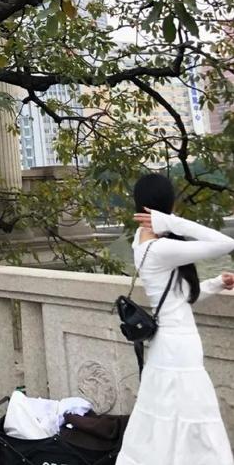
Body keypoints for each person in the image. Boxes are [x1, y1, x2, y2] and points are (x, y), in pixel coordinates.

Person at [116, 173, 234, 465]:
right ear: (165, 206)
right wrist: (171, 222)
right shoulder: (161, 248)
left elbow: (178, 299)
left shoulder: (140, 242)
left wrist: (216, 283)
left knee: (163, 423)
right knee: (192, 423)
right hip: (179, 349)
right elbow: (225, 243)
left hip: (163, 347)